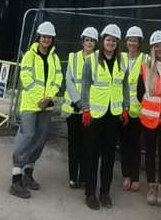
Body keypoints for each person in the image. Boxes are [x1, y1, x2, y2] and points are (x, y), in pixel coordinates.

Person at [9, 21, 63, 199]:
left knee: (40, 139)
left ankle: (28, 173)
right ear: (38, 37)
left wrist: (49, 97)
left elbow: (58, 78)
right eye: (44, 36)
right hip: (31, 105)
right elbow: (26, 78)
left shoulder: (54, 58)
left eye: (49, 37)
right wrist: (40, 98)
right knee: (27, 136)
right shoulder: (30, 56)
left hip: (46, 105)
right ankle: (16, 178)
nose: (46, 39)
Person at [80, 23, 126, 209]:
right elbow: (85, 86)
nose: (111, 43)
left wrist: (125, 108)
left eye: (114, 40)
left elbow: (125, 86)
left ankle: (105, 192)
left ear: (117, 43)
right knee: (91, 154)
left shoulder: (121, 61)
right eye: (108, 39)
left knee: (108, 156)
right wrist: (85, 109)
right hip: (95, 114)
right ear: (103, 41)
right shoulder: (91, 60)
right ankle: (90, 193)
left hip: (113, 115)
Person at [138, 29, 161, 206]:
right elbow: (140, 93)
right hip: (149, 119)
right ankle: (152, 185)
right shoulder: (145, 68)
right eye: (156, 46)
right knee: (150, 153)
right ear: (152, 48)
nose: (160, 49)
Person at [62, 26, 98, 189]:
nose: (89, 43)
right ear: (83, 42)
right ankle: (72, 177)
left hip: (88, 109)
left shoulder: (99, 59)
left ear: (95, 43)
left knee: (86, 144)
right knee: (73, 144)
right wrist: (77, 100)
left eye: (92, 41)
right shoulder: (73, 57)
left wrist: (85, 104)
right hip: (73, 108)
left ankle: (84, 177)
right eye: (87, 40)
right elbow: (68, 80)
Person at [119, 25, 146, 192]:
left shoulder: (145, 59)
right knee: (123, 145)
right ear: (126, 41)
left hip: (137, 110)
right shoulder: (120, 57)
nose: (132, 43)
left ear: (139, 42)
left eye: (135, 40)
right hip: (121, 109)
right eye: (129, 40)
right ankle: (126, 176)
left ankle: (135, 177)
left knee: (135, 145)